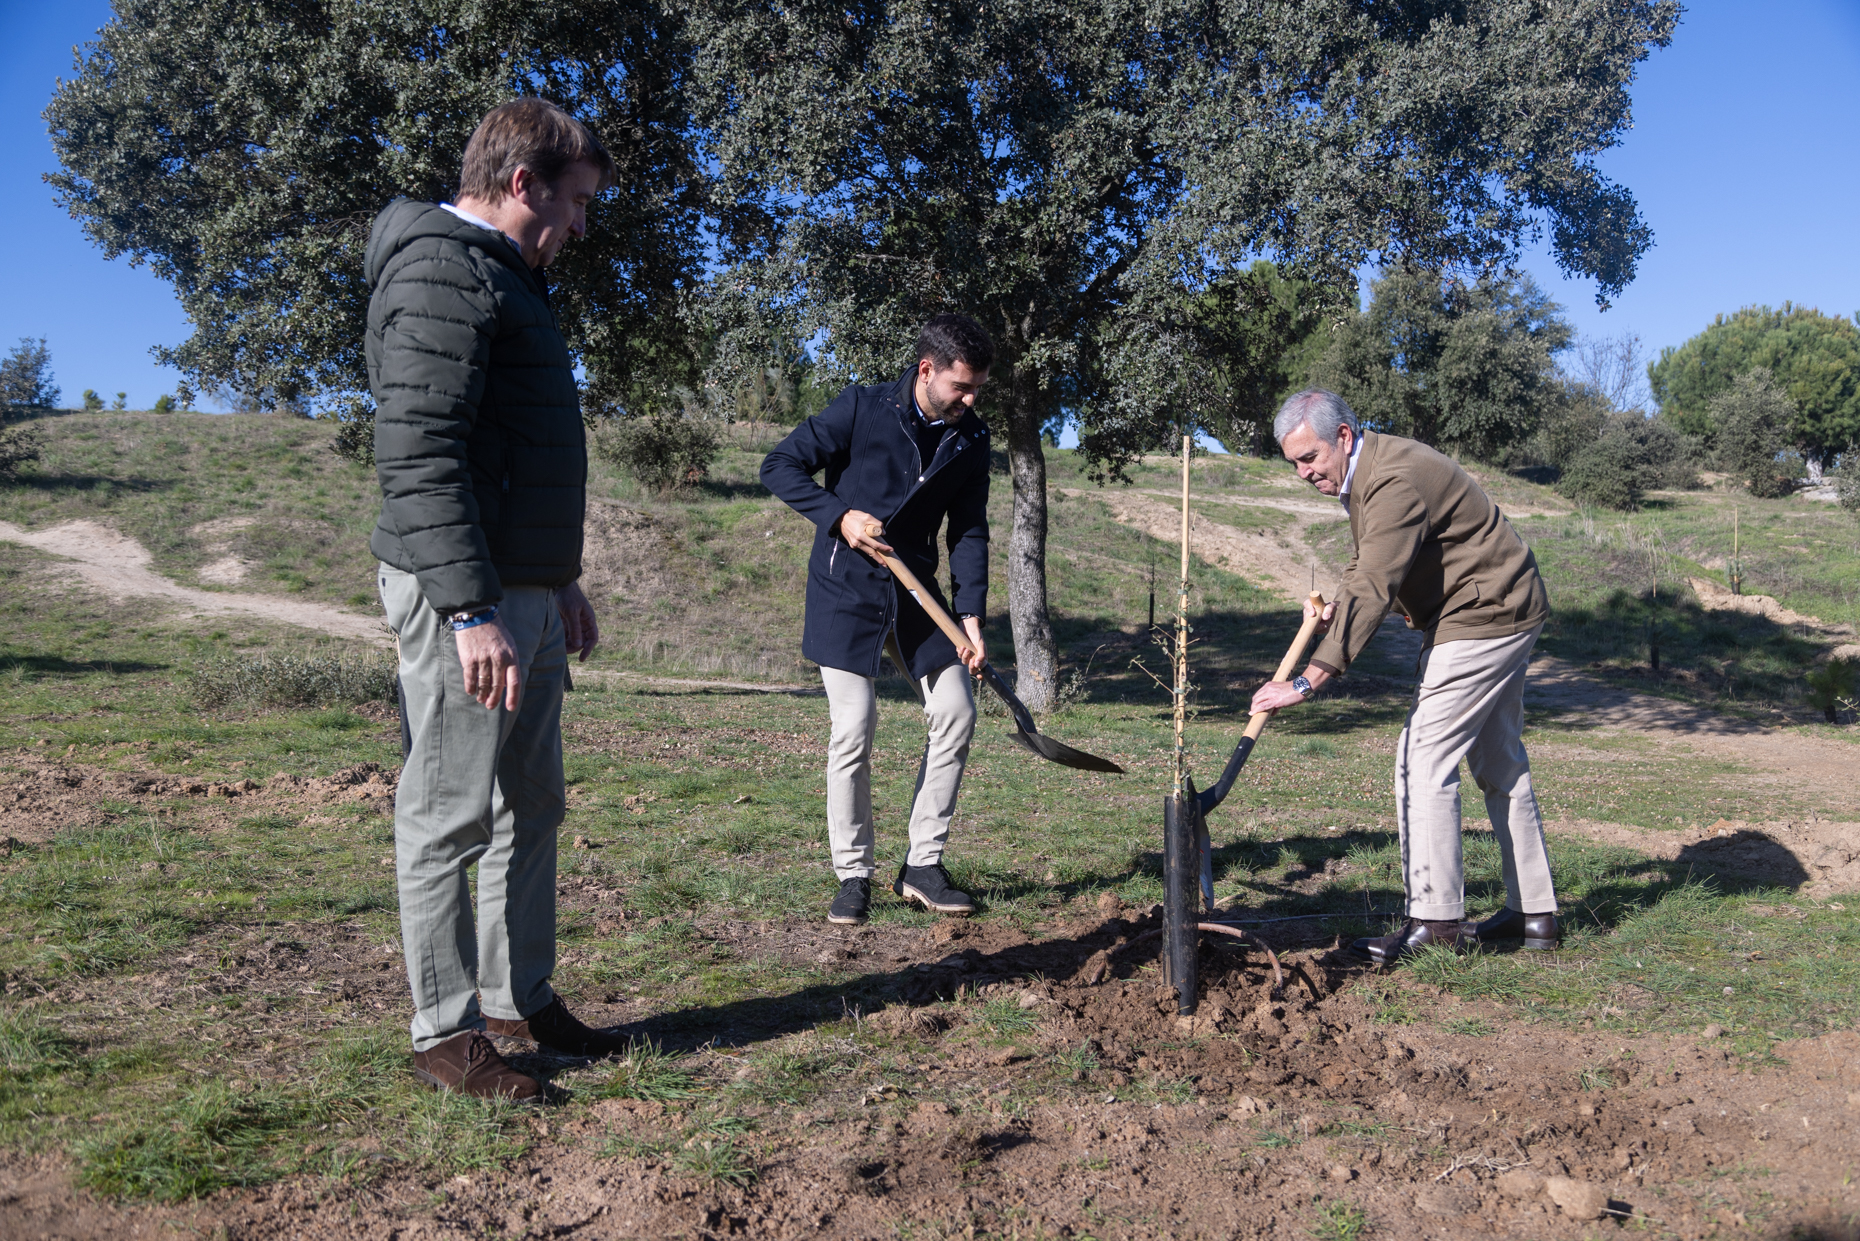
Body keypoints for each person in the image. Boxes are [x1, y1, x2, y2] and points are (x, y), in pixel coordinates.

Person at [367, 99, 627, 1100]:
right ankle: (445, 1028)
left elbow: (511, 451)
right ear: (523, 186)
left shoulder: (507, 279)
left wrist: (557, 577)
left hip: (523, 588)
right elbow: (421, 454)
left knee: (533, 802)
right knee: (447, 811)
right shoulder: (443, 269)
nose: (580, 227)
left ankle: (519, 994)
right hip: (463, 594)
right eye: (574, 203)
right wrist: (472, 610)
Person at [1249, 389, 1562, 963]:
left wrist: (1308, 681)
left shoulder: (1393, 479)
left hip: (1485, 612)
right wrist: (1333, 616)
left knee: (1423, 757)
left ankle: (1436, 921)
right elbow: (1366, 564)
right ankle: (1534, 913)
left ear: (1342, 436)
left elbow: (1374, 582)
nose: (1301, 473)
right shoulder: (1366, 469)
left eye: (1309, 458)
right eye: (1293, 462)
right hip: (1505, 602)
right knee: (1498, 761)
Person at [761, 315, 995, 926]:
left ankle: (922, 865)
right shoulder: (861, 409)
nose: (969, 402)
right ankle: (853, 873)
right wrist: (838, 515)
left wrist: (970, 613)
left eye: (977, 391)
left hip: (919, 595)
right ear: (927, 370)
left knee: (956, 710)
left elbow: (968, 529)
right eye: (961, 388)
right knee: (855, 727)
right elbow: (780, 465)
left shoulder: (971, 439)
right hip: (846, 587)